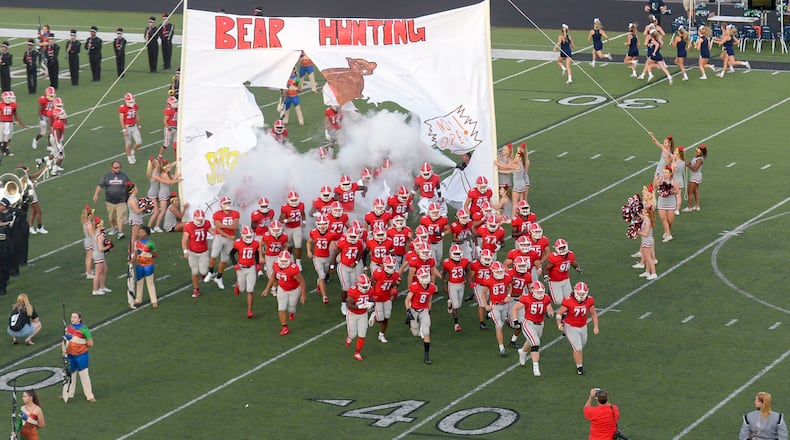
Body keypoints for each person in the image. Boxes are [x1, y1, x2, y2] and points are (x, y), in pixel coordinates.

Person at [556, 282, 599, 375]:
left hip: (583, 326)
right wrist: (559, 323)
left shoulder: (589, 300)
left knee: (582, 345)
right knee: (578, 348)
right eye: (579, 293)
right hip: (570, 326)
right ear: (575, 292)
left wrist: (596, 326)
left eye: (583, 294)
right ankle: (579, 367)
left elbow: (593, 313)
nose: (581, 295)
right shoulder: (568, 301)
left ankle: (578, 358)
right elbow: (559, 313)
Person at [262, 250, 307, 336]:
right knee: (281, 308)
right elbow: (273, 277)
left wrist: (303, 294)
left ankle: (292, 312)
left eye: (284, 261)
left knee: (291, 308)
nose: (282, 263)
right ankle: (285, 327)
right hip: (282, 289)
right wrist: (267, 288)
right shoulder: (275, 265)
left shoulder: (293, 269)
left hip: (294, 290)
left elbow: (302, 282)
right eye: (281, 261)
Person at [512, 281, 553, 376]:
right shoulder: (526, 298)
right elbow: (515, 308)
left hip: (540, 324)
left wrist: (550, 314)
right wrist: (515, 320)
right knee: (535, 343)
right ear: (532, 291)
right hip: (529, 323)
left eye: (541, 291)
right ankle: (535, 366)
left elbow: (549, 308)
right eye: (538, 292)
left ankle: (522, 352)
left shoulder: (546, 297)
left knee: (532, 341)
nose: (540, 294)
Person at [204, 196, 240, 289]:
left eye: (228, 203)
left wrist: (222, 226)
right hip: (220, 237)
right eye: (225, 203)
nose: (227, 205)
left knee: (224, 260)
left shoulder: (235, 213)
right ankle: (211, 272)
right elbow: (218, 229)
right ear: (221, 205)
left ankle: (219, 278)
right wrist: (228, 233)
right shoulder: (217, 214)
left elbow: (234, 226)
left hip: (229, 240)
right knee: (213, 256)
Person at [405, 267, 436, 364]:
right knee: (415, 333)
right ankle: (411, 323)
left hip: (424, 310)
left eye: (426, 275)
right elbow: (407, 300)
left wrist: (429, 312)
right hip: (413, 310)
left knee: (426, 332)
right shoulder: (415, 286)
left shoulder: (431, 287)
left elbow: (430, 300)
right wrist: (408, 312)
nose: (426, 277)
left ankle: (426, 356)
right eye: (423, 276)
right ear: (419, 277)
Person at [63, 311, 96, 402]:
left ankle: (89, 396)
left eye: (74, 317)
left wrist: (77, 342)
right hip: (70, 355)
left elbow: (90, 343)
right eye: (72, 317)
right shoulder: (68, 328)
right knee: (70, 374)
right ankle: (69, 393)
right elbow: (64, 342)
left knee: (84, 375)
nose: (72, 319)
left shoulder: (84, 329)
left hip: (82, 356)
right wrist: (64, 352)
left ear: (79, 319)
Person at [94, 161, 131, 239]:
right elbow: (100, 185)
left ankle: (120, 232)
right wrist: (96, 194)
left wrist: (131, 196)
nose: (118, 169)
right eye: (116, 168)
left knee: (120, 218)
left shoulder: (124, 176)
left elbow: (130, 186)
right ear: (112, 168)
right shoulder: (107, 176)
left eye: (119, 167)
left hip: (121, 201)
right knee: (112, 218)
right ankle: (113, 228)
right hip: (110, 201)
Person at [230, 226, 261, 318]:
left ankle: (250, 310)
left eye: (250, 236)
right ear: (243, 236)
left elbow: (256, 253)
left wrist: (258, 263)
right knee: (242, 289)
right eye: (247, 236)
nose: (249, 238)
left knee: (250, 290)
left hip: (251, 268)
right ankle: (237, 285)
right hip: (241, 268)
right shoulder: (238, 243)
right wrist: (235, 264)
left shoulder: (255, 243)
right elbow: (231, 254)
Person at [543, 239, 582, 305]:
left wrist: (577, 267)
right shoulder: (554, 257)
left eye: (563, 247)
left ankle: (564, 312)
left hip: (566, 279)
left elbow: (572, 262)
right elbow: (545, 268)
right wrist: (546, 276)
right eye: (560, 248)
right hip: (554, 281)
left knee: (569, 299)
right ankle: (550, 294)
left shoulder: (570, 255)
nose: (562, 249)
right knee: (558, 301)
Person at [182, 209, 211, 298]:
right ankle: (196, 289)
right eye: (198, 219)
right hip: (192, 252)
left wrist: (220, 233)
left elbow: (212, 231)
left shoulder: (206, 223)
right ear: (194, 218)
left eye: (201, 219)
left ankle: (203, 274)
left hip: (204, 251)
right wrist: (185, 251)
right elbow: (184, 240)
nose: (200, 221)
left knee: (203, 271)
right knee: (194, 271)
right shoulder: (189, 226)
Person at [345, 274, 373, 360]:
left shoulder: (370, 290)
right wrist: (359, 306)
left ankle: (357, 352)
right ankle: (349, 337)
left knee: (362, 334)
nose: (366, 289)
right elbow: (348, 304)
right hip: (352, 314)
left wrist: (372, 304)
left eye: (367, 286)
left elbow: (372, 299)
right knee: (353, 334)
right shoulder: (353, 291)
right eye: (364, 287)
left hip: (363, 315)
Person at [131, 226, 158, 309]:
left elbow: (155, 254)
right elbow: (135, 254)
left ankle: (154, 300)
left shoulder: (150, 243)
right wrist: (131, 260)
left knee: (150, 283)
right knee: (139, 283)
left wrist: (149, 258)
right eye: (139, 232)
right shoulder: (136, 242)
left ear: (146, 234)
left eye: (142, 232)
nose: (139, 233)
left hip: (148, 265)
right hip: (139, 265)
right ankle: (138, 299)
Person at [655, 165, 678, 242]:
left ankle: (667, 232)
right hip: (661, 203)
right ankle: (668, 235)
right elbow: (655, 186)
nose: (665, 174)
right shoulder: (661, 180)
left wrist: (669, 191)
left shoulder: (673, 181)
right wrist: (657, 180)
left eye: (667, 172)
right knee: (663, 219)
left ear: (670, 173)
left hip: (671, 203)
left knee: (670, 221)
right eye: (664, 172)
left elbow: (677, 191)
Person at [633, 208, 658, 280]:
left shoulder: (648, 222)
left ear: (647, 213)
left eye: (643, 211)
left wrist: (637, 232)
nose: (642, 212)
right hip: (646, 241)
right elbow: (641, 216)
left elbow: (645, 234)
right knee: (647, 257)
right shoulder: (646, 219)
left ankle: (654, 273)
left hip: (647, 241)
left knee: (648, 258)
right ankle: (647, 272)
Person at [91, 217, 112, 296]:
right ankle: (95, 290)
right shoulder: (99, 235)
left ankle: (102, 287)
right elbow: (101, 248)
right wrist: (108, 247)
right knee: (98, 272)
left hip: (99, 254)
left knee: (104, 270)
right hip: (98, 255)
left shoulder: (97, 233)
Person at [119, 92, 141, 164]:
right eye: (130, 101)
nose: (132, 103)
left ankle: (132, 152)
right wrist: (124, 129)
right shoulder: (122, 108)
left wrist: (139, 125)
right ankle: (129, 157)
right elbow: (121, 120)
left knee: (139, 142)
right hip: (127, 127)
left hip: (134, 126)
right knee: (128, 143)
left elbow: (136, 116)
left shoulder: (135, 106)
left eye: (133, 101)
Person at [683, 145, 706, 212]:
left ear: (701, 153)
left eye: (698, 152)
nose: (696, 153)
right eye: (696, 151)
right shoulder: (696, 158)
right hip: (695, 176)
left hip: (695, 176)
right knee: (695, 191)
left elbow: (695, 169)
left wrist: (687, 165)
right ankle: (697, 206)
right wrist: (684, 162)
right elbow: (690, 163)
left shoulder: (699, 160)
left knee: (689, 192)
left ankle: (689, 207)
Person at [509, 144, 530, 215]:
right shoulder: (521, 161)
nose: (517, 153)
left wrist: (515, 167)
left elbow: (524, 173)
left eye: (519, 151)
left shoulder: (525, 161)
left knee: (524, 199)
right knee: (521, 200)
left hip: (524, 181)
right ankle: (521, 214)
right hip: (521, 181)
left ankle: (526, 213)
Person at [82, 205, 96, 279]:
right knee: (90, 258)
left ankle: (89, 271)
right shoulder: (89, 224)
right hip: (91, 241)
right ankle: (89, 273)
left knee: (89, 257)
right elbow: (92, 235)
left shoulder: (86, 222)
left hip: (87, 240)